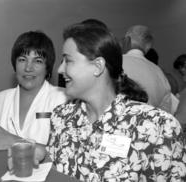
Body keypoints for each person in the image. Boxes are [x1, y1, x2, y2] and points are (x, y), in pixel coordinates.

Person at [43, 21, 186, 181]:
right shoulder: (61, 118)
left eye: (68, 60)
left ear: (98, 66)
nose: (59, 70)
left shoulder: (156, 127)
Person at [122, 25, 173, 113]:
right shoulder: (159, 73)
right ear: (148, 47)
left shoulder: (114, 62)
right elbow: (165, 111)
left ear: (127, 40)